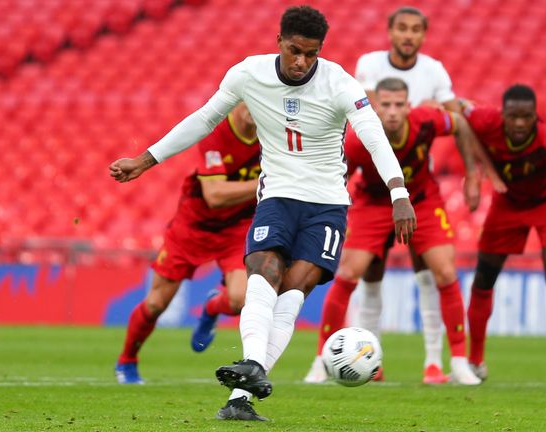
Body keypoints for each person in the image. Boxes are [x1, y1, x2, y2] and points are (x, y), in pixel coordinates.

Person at [109, 6, 415, 421]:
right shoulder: (248, 74)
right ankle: (252, 366)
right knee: (263, 276)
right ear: (279, 42)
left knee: (291, 293)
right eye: (294, 51)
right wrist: (147, 159)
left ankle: (239, 400)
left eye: (311, 53)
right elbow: (204, 119)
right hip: (276, 198)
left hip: (327, 206)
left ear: (320, 51)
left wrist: (399, 192)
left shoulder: (340, 83)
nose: (301, 61)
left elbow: (375, 137)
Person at [352, 6, 504, 384]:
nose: (408, 35)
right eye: (401, 28)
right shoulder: (369, 64)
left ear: (423, 35)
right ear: (389, 31)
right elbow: (369, 111)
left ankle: (436, 363)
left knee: (431, 270)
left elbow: (458, 121)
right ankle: (367, 361)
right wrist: (419, 110)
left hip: (417, 186)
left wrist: (473, 172)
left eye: (415, 30)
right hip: (374, 188)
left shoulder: (433, 70)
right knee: (368, 272)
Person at [304, 77, 484, 385]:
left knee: (444, 271)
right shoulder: (359, 140)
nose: (392, 112)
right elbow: (338, 173)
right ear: (375, 107)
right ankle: (322, 358)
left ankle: (457, 361)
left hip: (422, 199)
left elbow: (460, 124)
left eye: (399, 104)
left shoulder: (426, 121)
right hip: (373, 203)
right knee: (349, 271)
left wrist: (472, 173)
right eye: (385, 105)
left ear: (409, 105)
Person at [114, 102, 259, 385]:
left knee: (241, 299)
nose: (257, 105)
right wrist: (267, 182)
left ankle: (211, 310)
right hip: (192, 226)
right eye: (250, 98)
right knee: (156, 304)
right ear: (238, 99)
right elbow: (215, 195)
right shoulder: (217, 132)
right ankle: (127, 360)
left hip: (236, 228)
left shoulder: (273, 132)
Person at [464, 84, 546, 387]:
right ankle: (475, 362)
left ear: (537, 117)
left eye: (527, 117)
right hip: (507, 201)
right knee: (484, 277)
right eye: (513, 116)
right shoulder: (484, 120)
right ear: (502, 115)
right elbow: (455, 111)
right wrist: (473, 171)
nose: (520, 123)